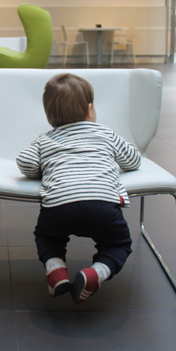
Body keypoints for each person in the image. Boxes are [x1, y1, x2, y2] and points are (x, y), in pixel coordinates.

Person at [16, 73, 141, 304]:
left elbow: (25, 162)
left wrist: (43, 168)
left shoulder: (45, 140)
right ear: (90, 110)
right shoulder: (105, 133)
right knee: (118, 244)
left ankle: (56, 269)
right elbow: (133, 160)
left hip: (58, 208)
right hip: (102, 207)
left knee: (47, 237)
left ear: (49, 116)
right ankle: (97, 272)